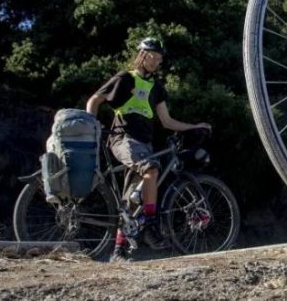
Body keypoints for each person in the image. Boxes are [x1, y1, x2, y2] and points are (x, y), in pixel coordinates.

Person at [86, 37, 211, 262]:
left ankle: (118, 252)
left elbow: (167, 121)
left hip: (143, 144)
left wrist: (194, 126)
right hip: (123, 139)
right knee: (151, 168)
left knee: (132, 199)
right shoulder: (126, 78)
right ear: (142, 55)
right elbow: (95, 99)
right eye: (153, 56)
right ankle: (151, 225)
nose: (156, 61)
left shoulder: (156, 88)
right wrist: (89, 126)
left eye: (159, 58)